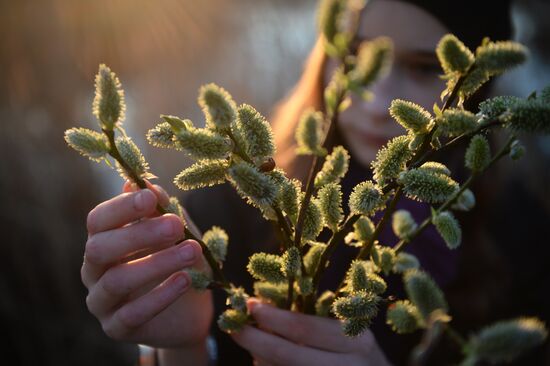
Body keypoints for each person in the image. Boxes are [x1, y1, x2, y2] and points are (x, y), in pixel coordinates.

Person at [81, 0, 549, 365]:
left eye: (425, 68)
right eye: (355, 57)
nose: (375, 99)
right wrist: (182, 349)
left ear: (476, 89)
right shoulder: (240, 202)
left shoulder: (523, 238)